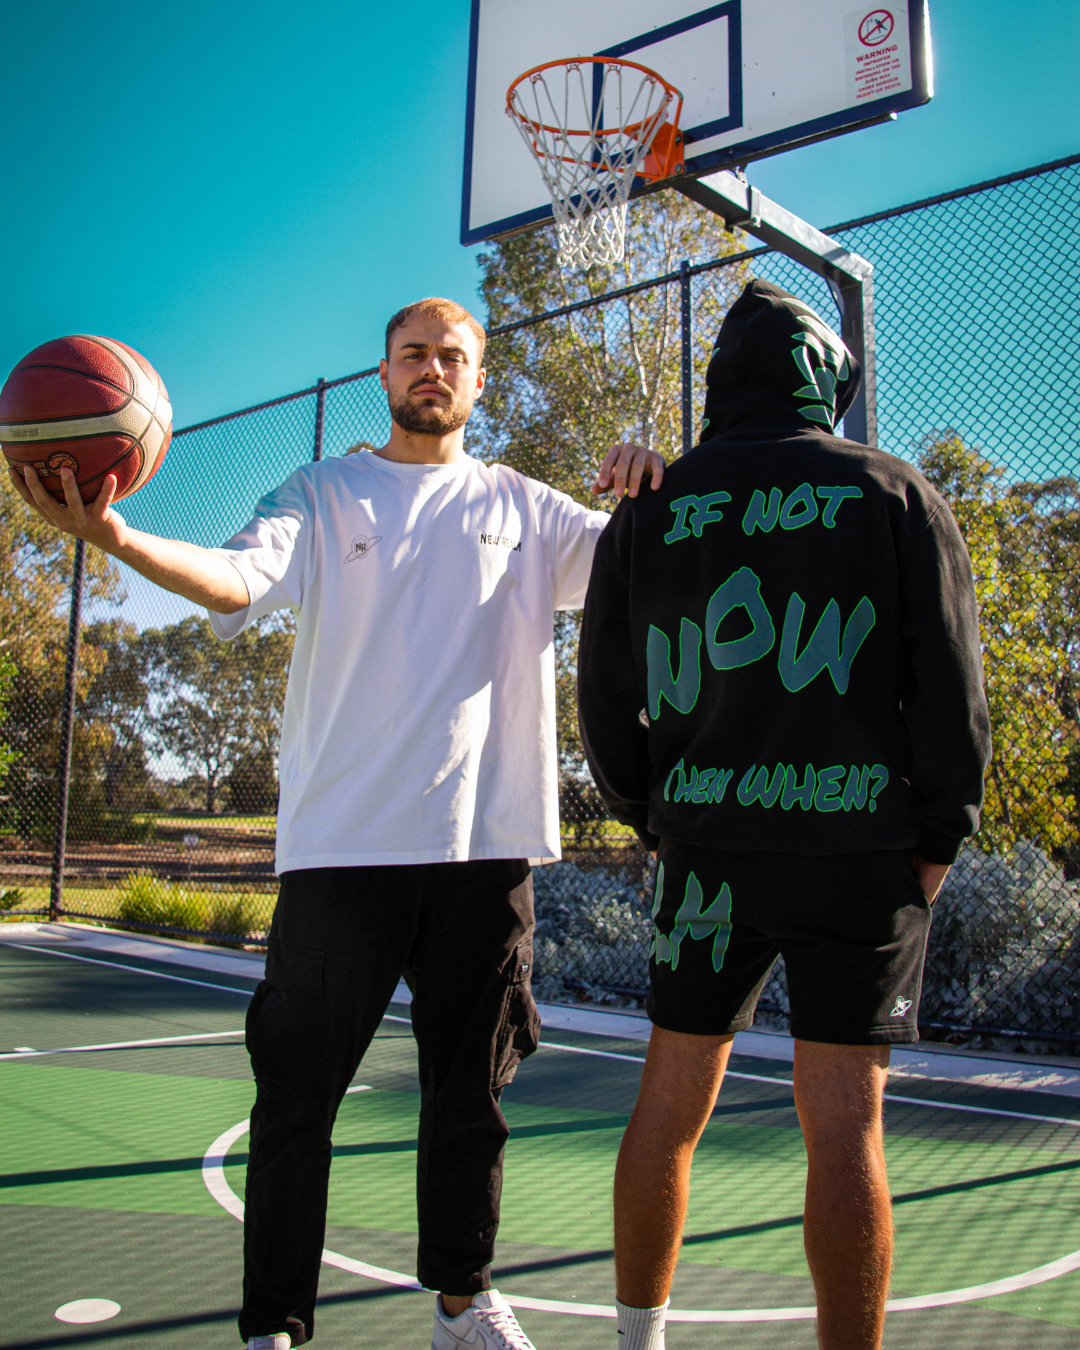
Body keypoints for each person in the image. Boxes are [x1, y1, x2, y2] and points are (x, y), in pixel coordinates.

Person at [10, 296, 666, 1350]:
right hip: (342, 854)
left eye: (454, 357)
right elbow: (234, 577)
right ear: (385, 373)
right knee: (296, 1106)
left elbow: (651, 561)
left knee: (471, 1102)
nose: (434, 371)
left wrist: (652, 481)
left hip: (483, 850)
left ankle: (463, 1302)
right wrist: (115, 533)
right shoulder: (321, 492)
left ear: (479, 380)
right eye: (416, 355)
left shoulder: (525, 507)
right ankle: (273, 1325)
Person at [576, 279, 991, 1350]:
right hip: (857, 849)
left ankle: (637, 1340)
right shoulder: (894, 492)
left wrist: (651, 811)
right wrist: (935, 841)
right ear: (829, 378)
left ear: (722, 377)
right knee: (846, 1128)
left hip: (707, 848)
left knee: (668, 1100)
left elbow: (602, 690)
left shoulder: (653, 505)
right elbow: (951, 688)